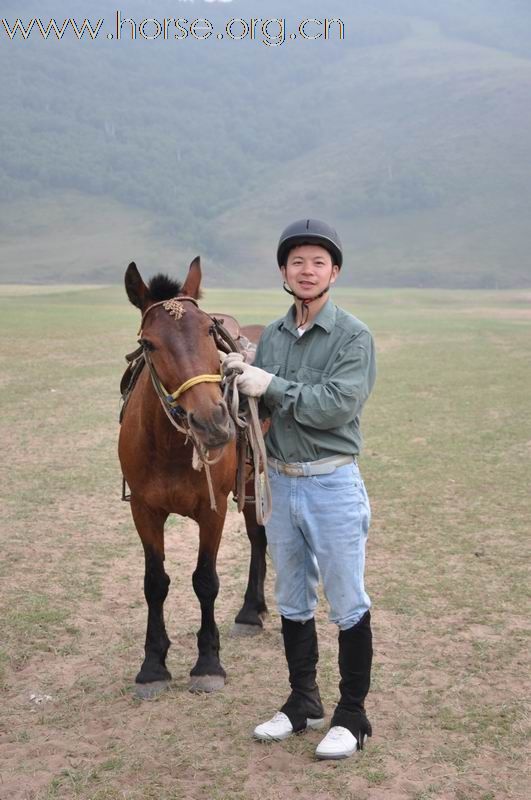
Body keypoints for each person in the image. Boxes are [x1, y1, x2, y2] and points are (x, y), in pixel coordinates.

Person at [223, 219, 376, 760]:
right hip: (281, 486)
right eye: (296, 262)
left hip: (332, 482)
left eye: (317, 262)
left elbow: (337, 404)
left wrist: (272, 384)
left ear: (333, 271)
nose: (306, 271)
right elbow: (257, 406)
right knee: (291, 598)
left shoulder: (353, 335)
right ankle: (302, 701)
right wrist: (239, 376)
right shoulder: (276, 334)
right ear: (284, 272)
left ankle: (353, 715)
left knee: (347, 599)